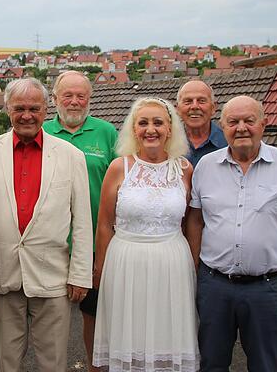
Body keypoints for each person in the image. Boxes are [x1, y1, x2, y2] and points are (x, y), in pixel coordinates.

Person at [185, 96, 277, 371]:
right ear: (222, 126)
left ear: (264, 124)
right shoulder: (206, 167)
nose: (241, 128)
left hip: (267, 287)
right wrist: (193, 269)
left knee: (266, 365)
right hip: (215, 286)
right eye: (233, 122)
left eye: (249, 121)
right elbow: (196, 221)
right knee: (211, 363)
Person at [0, 78, 93, 372]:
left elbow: (83, 222)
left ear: (46, 109)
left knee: (53, 362)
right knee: (6, 362)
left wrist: (80, 275)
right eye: (19, 108)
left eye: (34, 108)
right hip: (1, 272)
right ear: (7, 109)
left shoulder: (71, 156)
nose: (26, 115)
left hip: (54, 276)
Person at [92, 97, 199, 372]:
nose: (151, 129)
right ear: (133, 129)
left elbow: (191, 222)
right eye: (143, 123)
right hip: (126, 261)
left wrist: (195, 264)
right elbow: (104, 223)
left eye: (158, 123)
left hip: (172, 261)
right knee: (131, 330)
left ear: (170, 129)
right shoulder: (119, 167)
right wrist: (101, 268)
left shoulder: (185, 170)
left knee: (166, 329)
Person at [42, 70, 117, 371]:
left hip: (97, 242)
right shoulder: (42, 131)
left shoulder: (107, 133)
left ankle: (94, 367)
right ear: (55, 99)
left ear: (89, 99)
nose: (74, 102)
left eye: (80, 96)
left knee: (95, 313)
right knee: (49, 318)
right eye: (67, 95)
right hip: (52, 242)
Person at [176, 80, 227, 166]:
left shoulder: (228, 144)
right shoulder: (167, 144)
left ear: (213, 108)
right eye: (188, 101)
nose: (194, 106)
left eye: (201, 101)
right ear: (177, 108)